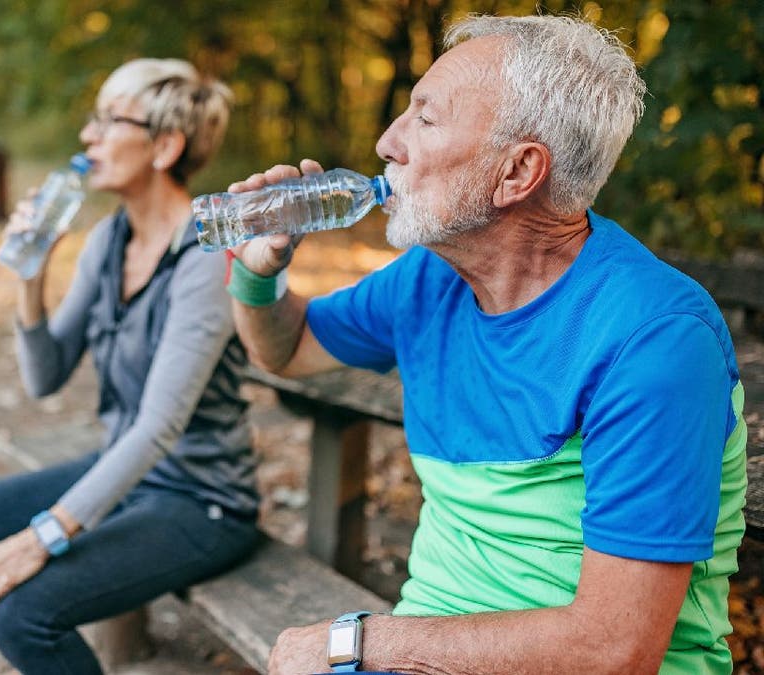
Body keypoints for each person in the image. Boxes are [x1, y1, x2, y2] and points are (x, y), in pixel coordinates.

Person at [224, 15, 747, 675]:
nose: (388, 141)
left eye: (426, 118)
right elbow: (288, 347)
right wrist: (257, 271)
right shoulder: (428, 279)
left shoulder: (655, 339)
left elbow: (615, 648)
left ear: (517, 171)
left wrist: (357, 643)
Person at [0, 59, 259, 675]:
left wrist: (40, 537)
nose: (87, 137)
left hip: (200, 501)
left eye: (108, 121)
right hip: (123, 472)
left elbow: (159, 426)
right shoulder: (108, 242)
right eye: (91, 121)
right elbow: (44, 378)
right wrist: (31, 281)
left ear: (165, 145)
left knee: (22, 613)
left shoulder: (207, 257)